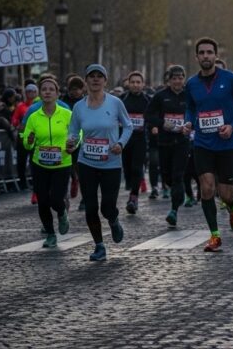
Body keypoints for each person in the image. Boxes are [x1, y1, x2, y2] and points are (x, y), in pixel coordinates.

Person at [183, 37, 233, 252]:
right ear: (196, 57)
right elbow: (190, 108)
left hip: (227, 144)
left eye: (209, 52)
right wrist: (188, 121)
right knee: (207, 188)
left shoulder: (229, 79)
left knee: (225, 192)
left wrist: (232, 126)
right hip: (203, 143)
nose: (205, 56)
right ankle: (214, 235)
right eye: (201, 52)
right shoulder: (191, 83)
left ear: (216, 55)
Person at [67, 64, 133, 262]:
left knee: (107, 206)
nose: (95, 80)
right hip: (86, 162)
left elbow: (128, 125)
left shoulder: (115, 103)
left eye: (99, 76)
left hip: (111, 163)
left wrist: (120, 143)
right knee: (90, 206)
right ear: (86, 81)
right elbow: (74, 131)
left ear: (106, 81)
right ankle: (99, 246)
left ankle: (113, 220)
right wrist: (72, 142)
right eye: (91, 77)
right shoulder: (79, 107)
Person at [22, 76, 73, 248]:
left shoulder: (67, 114)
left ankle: (62, 213)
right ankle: (51, 234)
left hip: (62, 163)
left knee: (56, 199)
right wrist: (28, 140)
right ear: (40, 94)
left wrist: (73, 143)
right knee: (43, 200)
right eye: (44, 89)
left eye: (51, 89)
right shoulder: (34, 117)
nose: (47, 92)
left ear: (57, 94)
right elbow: (26, 142)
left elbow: (77, 133)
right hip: (39, 164)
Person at [145, 65, 190, 227]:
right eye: (174, 78)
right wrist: (163, 123)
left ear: (184, 79)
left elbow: (197, 113)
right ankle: (177, 193)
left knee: (177, 175)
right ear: (169, 80)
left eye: (180, 78)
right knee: (166, 176)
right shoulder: (160, 96)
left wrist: (189, 126)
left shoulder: (189, 96)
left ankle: (174, 210)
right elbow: (149, 115)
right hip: (164, 142)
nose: (177, 81)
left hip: (183, 142)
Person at [120, 71, 150, 214]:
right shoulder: (122, 99)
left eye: (138, 82)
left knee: (137, 168)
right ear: (128, 84)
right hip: (125, 140)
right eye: (133, 82)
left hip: (140, 139)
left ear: (142, 84)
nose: (136, 85)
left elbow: (153, 118)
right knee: (127, 168)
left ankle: (133, 197)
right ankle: (131, 186)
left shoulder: (147, 100)